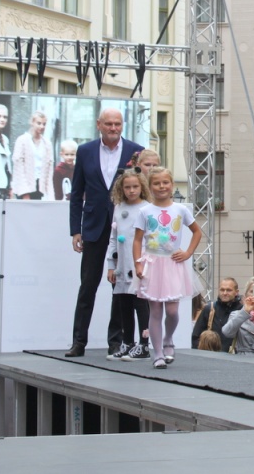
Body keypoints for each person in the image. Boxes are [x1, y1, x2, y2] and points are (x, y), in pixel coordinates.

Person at [67, 108, 145, 357]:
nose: (113, 128)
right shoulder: (85, 150)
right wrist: (75, 230)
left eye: (118, 124)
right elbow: (76, 194)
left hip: (125, 228)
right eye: (109, 124)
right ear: (99, 124)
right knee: (88, 285)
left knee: (120, 288)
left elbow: (142, 190)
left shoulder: (135, 150)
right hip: (93, 227)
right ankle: (79, 342)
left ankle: (116, 341)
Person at [132, 166, 203, 368]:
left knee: (172, 310)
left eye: (165, 182)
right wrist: (138, 262)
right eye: (157, 183)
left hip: (172, 263)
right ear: (150, 186)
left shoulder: (180, 210)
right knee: (155, 310)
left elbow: (197, 232)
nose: (161, 186)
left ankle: (168, 339)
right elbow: (137, 240)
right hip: (153, 264)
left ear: (171, 185)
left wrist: (188, 252)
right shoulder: (144, 211)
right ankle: (157, 354)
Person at [105, 169, 152, 361]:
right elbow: (114, 238)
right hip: (122, 264)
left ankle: (143, 344)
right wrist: (111, 265)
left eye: (135, 186)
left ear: (141, 187)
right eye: (127, 187)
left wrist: (145, 262)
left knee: (140, 304)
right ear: (121, 188)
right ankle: (127, 342)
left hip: (140, 264)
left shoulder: (148, 208)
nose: (131, 190)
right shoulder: (118, 208)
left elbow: (150, 239)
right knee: (123, 303)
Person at [11, 111, 54, 200]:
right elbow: (19, 168)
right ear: (32, 122)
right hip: (26, 186)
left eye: (44, 124)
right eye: (39, 123)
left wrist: (50, 194)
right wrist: (24, 193)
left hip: (40, 188)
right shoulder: (22, 140)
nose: (42, 126)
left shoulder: (47, 144)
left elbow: (49, 171)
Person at [191, 277, 243, 352]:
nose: (225, 293)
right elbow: (195, 337)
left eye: (229, 290)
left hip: (235, 358)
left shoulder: (242, 311)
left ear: (236, 292)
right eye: (222, 290)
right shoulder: (209, 309)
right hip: (211, 358)